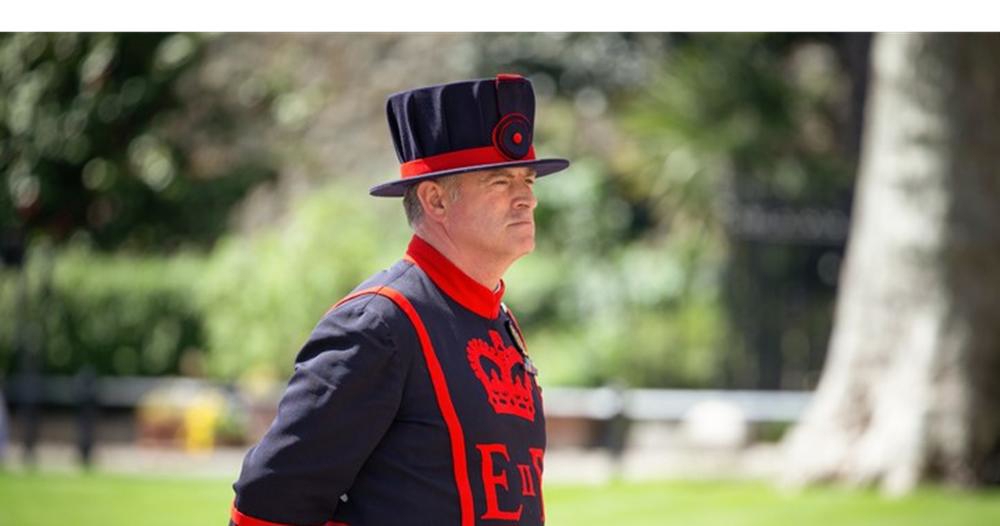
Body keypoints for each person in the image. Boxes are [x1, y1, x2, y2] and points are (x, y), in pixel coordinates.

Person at [229, 74, 570, 526]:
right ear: (435, 200)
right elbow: (267, 503)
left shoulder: (497, 318)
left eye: (527, 179)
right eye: (500, 181)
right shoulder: (377, 325)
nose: (526, 198)